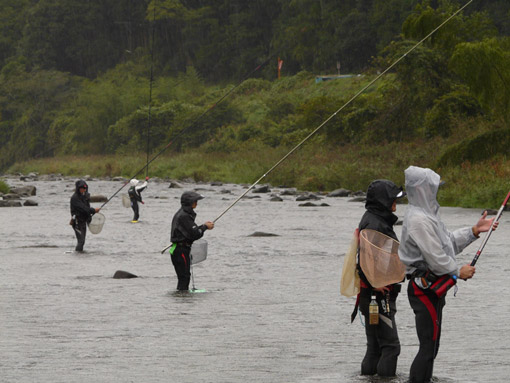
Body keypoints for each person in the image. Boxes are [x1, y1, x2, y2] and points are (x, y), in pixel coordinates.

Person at [398, 166, 497, 383]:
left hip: (433, 288)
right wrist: (457, 271)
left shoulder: (428, 215)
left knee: (432, 346)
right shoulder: (417, 220)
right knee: (427, 346)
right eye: (433, 187)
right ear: (422, 189)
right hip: (424, 289)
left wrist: (473, 231)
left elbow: (448, 242)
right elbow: (435, 257)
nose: (436, 191)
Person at [353, 179, 406, 377]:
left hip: (369, 296)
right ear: (383, 201)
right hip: (378, 297)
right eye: (393, 199)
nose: (395, 204)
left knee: (374, 347)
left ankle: (368, 379)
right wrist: (377, 284)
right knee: (391, 347)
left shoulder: (372, 219)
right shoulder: (376, 223)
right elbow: (366, 258)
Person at [170, 191, 214, 291]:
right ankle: (183, 299)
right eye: (195, 201)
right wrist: (205, 227)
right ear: (189, 202)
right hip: (180, 250)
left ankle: (182, 297)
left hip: (179, 249)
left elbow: (190, 232)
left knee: (184, 277)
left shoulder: (183, 214)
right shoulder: (184, 216)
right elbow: (195, 234)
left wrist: (202, 226)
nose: (196, 203)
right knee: (184, 277)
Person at [70, 180, 99, 252]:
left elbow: (87, 210)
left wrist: (92, 214)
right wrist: (93, 210)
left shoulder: (84, 197)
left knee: (82, 241)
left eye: (85, 188)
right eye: (82, 188)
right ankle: (78, 255)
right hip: (77, 222)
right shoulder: (75, 198)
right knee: (81, 241)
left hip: (83, 222)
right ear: (78, 188)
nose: (84, 190)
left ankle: (79, 254)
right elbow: (84, 209)